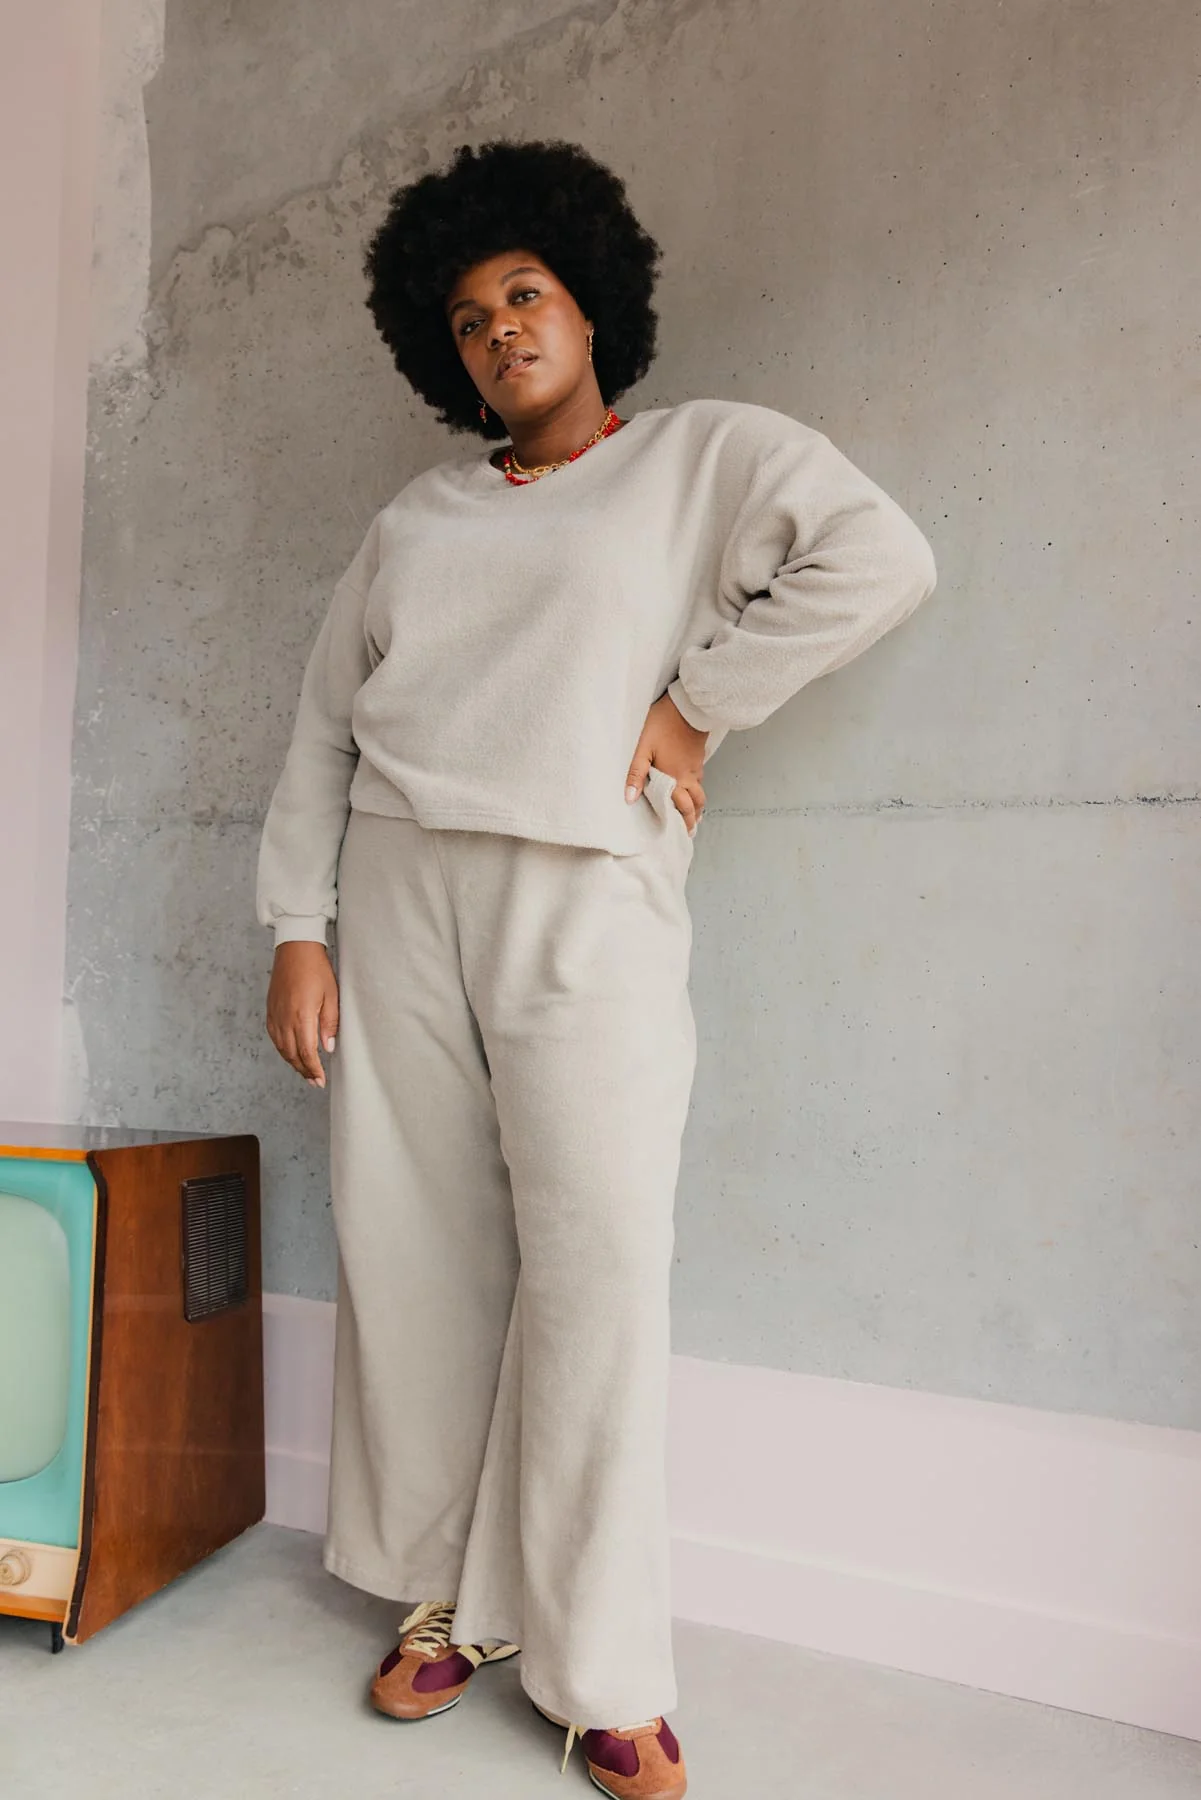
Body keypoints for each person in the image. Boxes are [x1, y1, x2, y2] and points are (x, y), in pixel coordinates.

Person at [256, 136, 936, 1800]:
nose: (499, 329)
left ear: (589, 298)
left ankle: (604, 1664)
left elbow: (882, 557)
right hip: (399, 886)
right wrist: (298, 927)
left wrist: (700, 704)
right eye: (468, 319)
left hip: (587, 892)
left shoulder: (705, 459)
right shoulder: (415, 518)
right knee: (412, 1253)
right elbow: (325, 724)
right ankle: (446, 1600)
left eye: (525, 293)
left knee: (601, 1267)